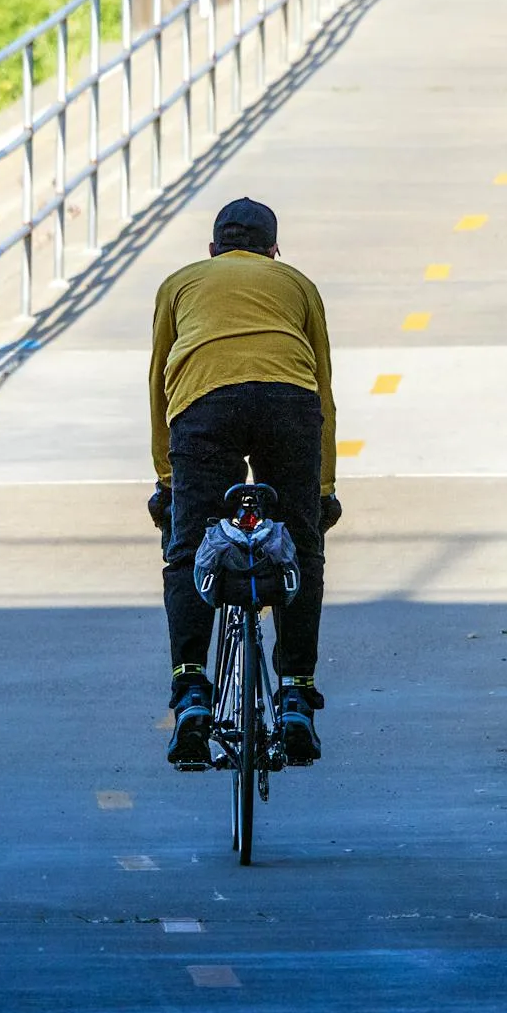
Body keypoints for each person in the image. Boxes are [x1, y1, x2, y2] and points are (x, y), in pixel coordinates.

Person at [146, 197, 341, 770]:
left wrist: (167, 483)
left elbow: (160, 384)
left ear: (212, 250)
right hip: (289, 403)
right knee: (302, 546)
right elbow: (323, 389)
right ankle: (298, 695)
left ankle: (190, 693)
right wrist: (322, 491)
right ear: (274, 251)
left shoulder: (180, 283)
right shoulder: (297, 284)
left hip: (204, 405)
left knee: (188, 548)